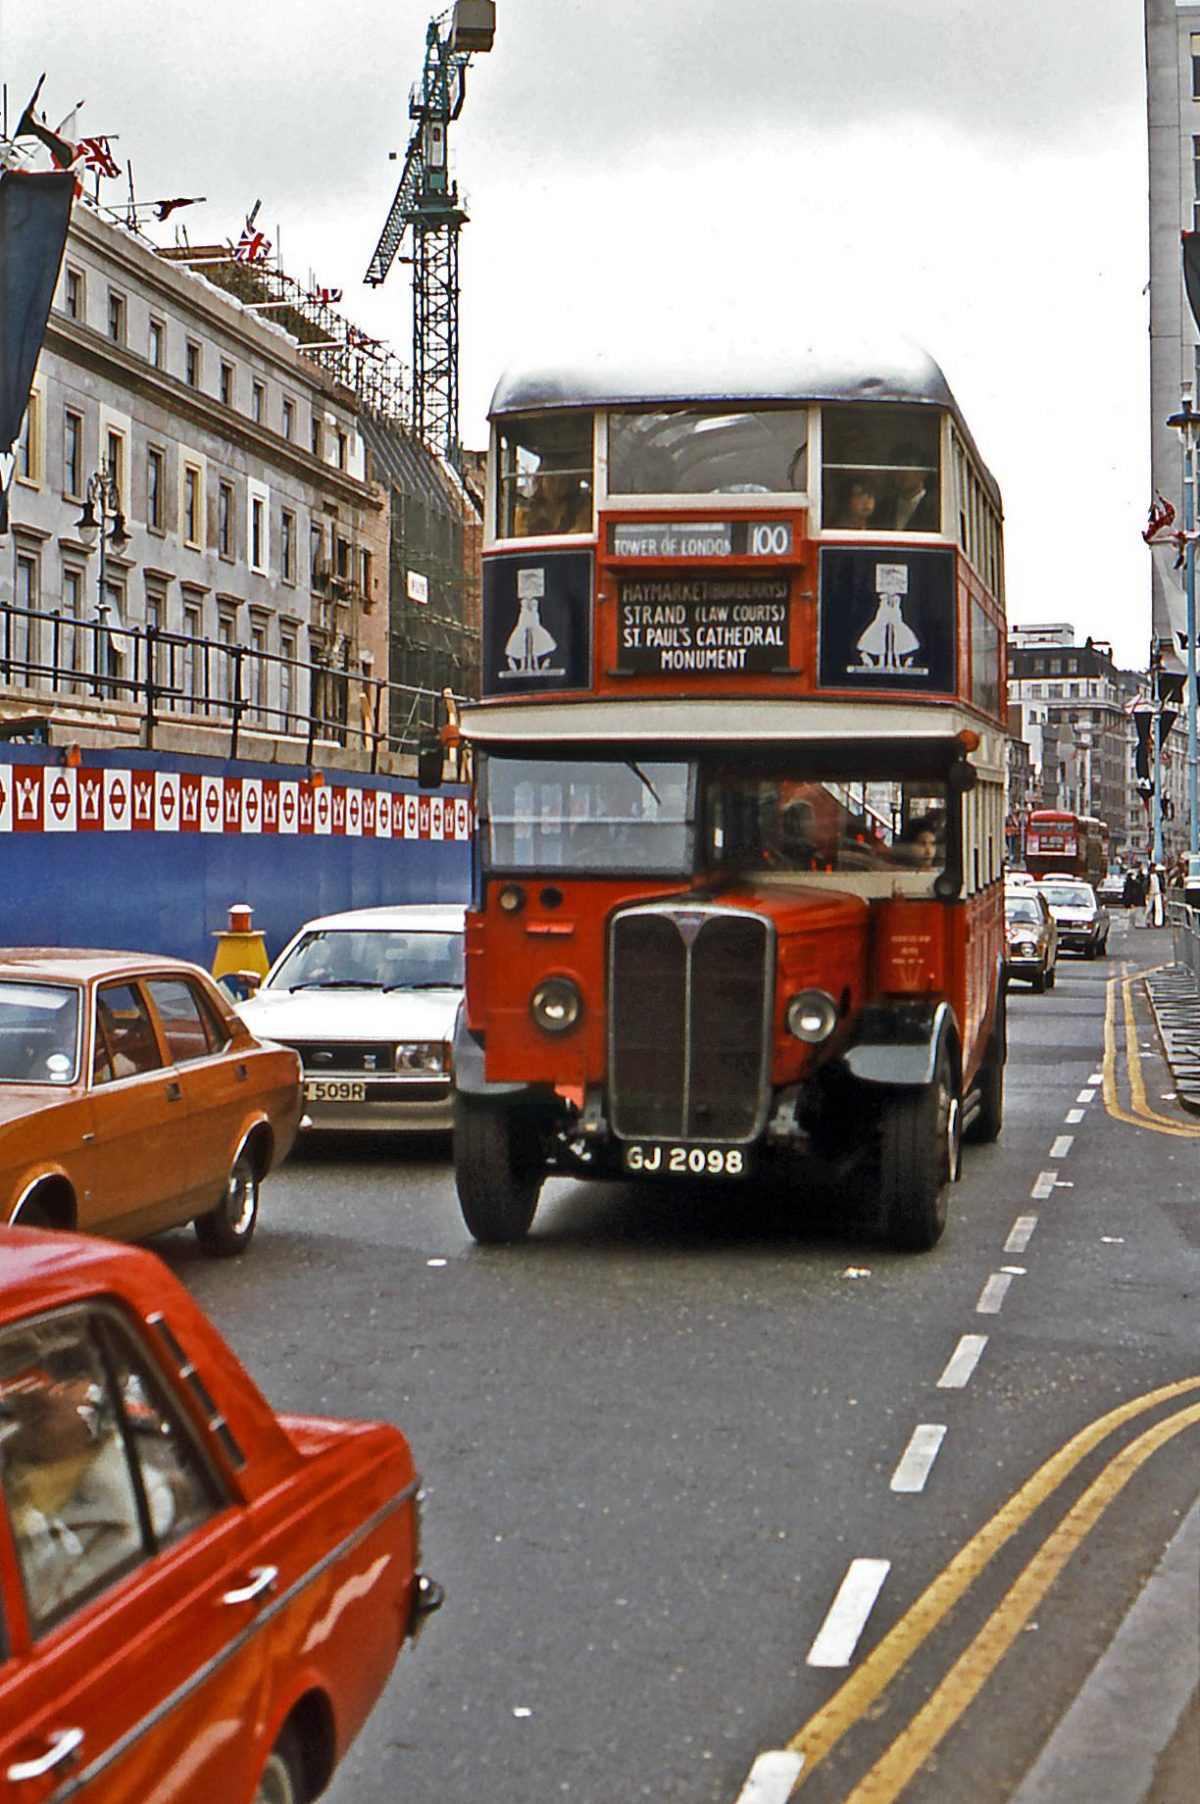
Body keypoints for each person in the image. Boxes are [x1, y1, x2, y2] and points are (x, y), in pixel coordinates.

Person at [878, 444, 939, 531]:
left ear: (923, 473)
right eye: (896, 466)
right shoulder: (884, 508)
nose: (901, 472)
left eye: (908, 465)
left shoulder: (935, 507)